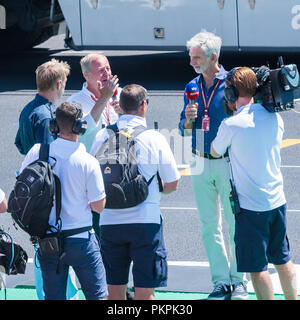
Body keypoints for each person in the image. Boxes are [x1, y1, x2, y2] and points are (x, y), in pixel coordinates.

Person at [211, 67, 298, 300]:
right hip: (277, 201)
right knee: (282, 259)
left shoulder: (232, 125)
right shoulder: (275, 118)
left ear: (230, 94)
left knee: (258, 268)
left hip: (251, 208)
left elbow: (215, 151)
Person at [90, 84, 181, 300]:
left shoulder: (103, 134)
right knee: (145, 291)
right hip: (145, 222)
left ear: (119, 106)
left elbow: (93, 174)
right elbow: (172, 183)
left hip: (109, 222)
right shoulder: (154, 137)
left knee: (114, 291)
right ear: (144, 106)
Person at [178, 30, 247, 300]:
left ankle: (239, 280)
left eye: (197, 57)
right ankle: (220, 281)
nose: (192, 62)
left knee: (233, 224)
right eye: (191, 57)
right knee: (209, 225)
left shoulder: (233, 82)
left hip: (228, 163)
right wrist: (187, 119)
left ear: (213, 57)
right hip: (199, 161)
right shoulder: (191, 86)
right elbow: (183, 130)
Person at [19, 102, 108, 300]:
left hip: (49, 240)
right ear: (80, 127)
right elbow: (98, 207)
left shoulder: (37, 152)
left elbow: (21, 184)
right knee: (99, 296)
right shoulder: (88, 162)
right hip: (82, 239)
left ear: (53, 126)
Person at [67, 53, 121, 153]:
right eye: (101, 70)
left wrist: (125, 112)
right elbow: (82, 131)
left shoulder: (120, 94)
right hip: (92, 162)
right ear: (86, 75)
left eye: (108, 68)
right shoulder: (74, 102)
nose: (107, 74)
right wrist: (104, 98)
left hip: (118, 159)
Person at [15, 59, 70, 155]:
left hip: (30, 166)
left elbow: (19, 143)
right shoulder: (47, 117)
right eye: (65, 83)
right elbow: (47, 156)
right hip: (44, 169)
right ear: (59, 84)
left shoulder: (27, 108)